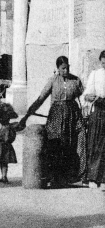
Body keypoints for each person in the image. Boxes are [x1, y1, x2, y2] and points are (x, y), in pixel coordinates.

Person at [20, 56, 86, 187]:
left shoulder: (76, 80)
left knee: (76, 141)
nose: (66, 70)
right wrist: (26, 116)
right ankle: (56, 178)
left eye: (67, 67)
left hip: (73, 115)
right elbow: (41, 98)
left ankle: (74, 176)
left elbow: (84, 97)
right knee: (56, 144)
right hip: (57, 115)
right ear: (58, 68)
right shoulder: (53, 81)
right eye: (63, 68)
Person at [83, 49, 105, 189]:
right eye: (103, 63)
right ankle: (93, 177)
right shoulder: (95, 74)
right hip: (97, 113)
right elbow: (86, 93)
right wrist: (88, 97)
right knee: (94, 144)